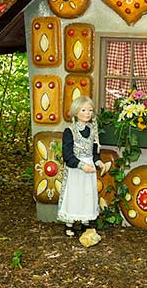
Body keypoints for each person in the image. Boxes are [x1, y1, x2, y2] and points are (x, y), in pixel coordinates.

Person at [58, 96, 107, 237]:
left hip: (89, 167)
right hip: (75, 169)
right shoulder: (70, 131)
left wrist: (98, 162)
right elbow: (67, 155)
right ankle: (70, 224)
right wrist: (81, 165)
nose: (87, 113)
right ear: (76, 112)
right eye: (84, 110)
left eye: (90, 110)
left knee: (87, 194)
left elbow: (94, 151)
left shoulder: (92, 130)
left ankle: (86, 222)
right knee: (74, 193)